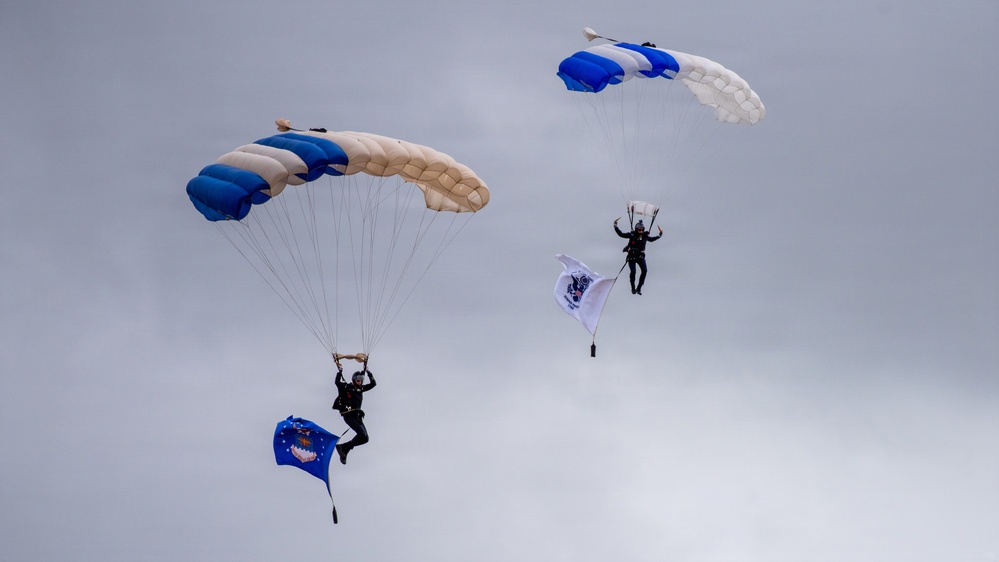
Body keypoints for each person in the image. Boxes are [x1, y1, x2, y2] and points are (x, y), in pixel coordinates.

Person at [332, 367, 376, 465]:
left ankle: (344, 447)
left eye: (361, 380)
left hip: (357, 416)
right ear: (354, 379)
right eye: (358, 380)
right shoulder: (347, 387)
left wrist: (369, 372)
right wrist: (339, 372)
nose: (360, 382)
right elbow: (337, 383)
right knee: (361, 434)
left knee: (365, 438)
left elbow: (373, 384)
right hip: (348, 415)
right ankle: (344, 448)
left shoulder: (361, 389)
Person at [614, 218, 662, 295]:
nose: (641, 231)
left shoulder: (645, 236)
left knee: (645, 271)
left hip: (640, 257)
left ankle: (639, 288)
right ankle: (633, 287)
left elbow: (651, 239)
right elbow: (621, 234)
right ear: (636, 230)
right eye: (639, 230)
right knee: (633, 272)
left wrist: (659, 236)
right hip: (632, 256)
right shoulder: (632, 235)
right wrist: (616, 226)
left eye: (642, 230)